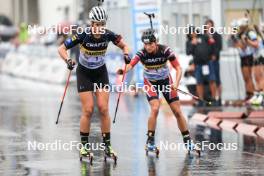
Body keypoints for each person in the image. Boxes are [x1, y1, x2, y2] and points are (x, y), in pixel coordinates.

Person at [58, 6, 131, 158]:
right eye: (96, 24)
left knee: (104, 109)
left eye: (101, 24)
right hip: (84, 73)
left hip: (100, 73)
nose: (98, 28)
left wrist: (126, 54)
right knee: (88, 110)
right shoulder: (83, 34)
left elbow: (125, 46)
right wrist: (68, 60)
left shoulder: (108, 35)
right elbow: (61, 49)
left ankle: (107, 146)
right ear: (91, 24)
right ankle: (84, 146)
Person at [117, 29, 199, 153]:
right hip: (150, 83)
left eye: (150, 44)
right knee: (155, 109)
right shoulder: (142, 53)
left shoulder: (165, 50)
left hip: (166, 81)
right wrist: (123, 71)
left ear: (156, 42)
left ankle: (188, 142)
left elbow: (178, 68)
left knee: (177, 111)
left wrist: (176, 83)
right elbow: (131, 65)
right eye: (145, 44)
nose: (148, 47)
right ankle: (150, 142)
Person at [186, 26, 217, 106]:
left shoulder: (203, 37)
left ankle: (214, 98)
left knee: (212, 80)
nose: (193, 33)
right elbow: (188, 52)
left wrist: (214, 54)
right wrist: (193, 44)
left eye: (194, 31)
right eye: (191, 33)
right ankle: (201, 99)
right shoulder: (189, 42)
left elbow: (212, 43)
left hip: (208, 62)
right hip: (198, 64)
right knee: (199, 82)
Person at [204, 19, 223, 105]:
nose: (208, 26)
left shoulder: (216, 35)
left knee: (217, 80)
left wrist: (215, 55)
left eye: (210, 25)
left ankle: (219, 97)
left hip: (214, 60)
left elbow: (219, 47)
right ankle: (213, 97)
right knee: (211, 80)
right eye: (207, 25)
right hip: (207, 61)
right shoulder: (204, 36)